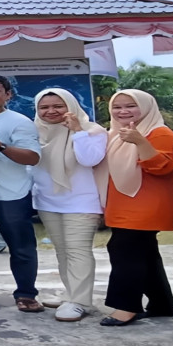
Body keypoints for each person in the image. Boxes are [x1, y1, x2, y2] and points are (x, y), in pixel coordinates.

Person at [99, 89, 173, 327]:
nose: (123, 111)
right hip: (122, 204)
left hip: (146, 205)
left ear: (146, 107)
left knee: (125, 252)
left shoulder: (159, 132)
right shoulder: (114, 134)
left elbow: (163, 167)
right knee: (145, 254)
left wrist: (140, 141)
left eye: (131, 106)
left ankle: (126, 307)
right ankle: (162, 304)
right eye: (117, 107)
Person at [32, 88, 107, 322]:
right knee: (62, 251)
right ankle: (71, 294)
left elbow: (90, 159)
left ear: (71, 107)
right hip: (48, 201)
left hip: (82, 202)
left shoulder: (92, 130)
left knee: (77, 251)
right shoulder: (36, 132)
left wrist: (77, 131)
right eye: (44, 107)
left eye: (58, 106)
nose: (51, 111)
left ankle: (80, 302)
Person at [0, 75, 44, 313]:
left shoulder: (19, 121)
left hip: (11, 194)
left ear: (8, 95)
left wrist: (0, 146)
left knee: (21, 248)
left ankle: (26, 294)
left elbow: (32, 157)